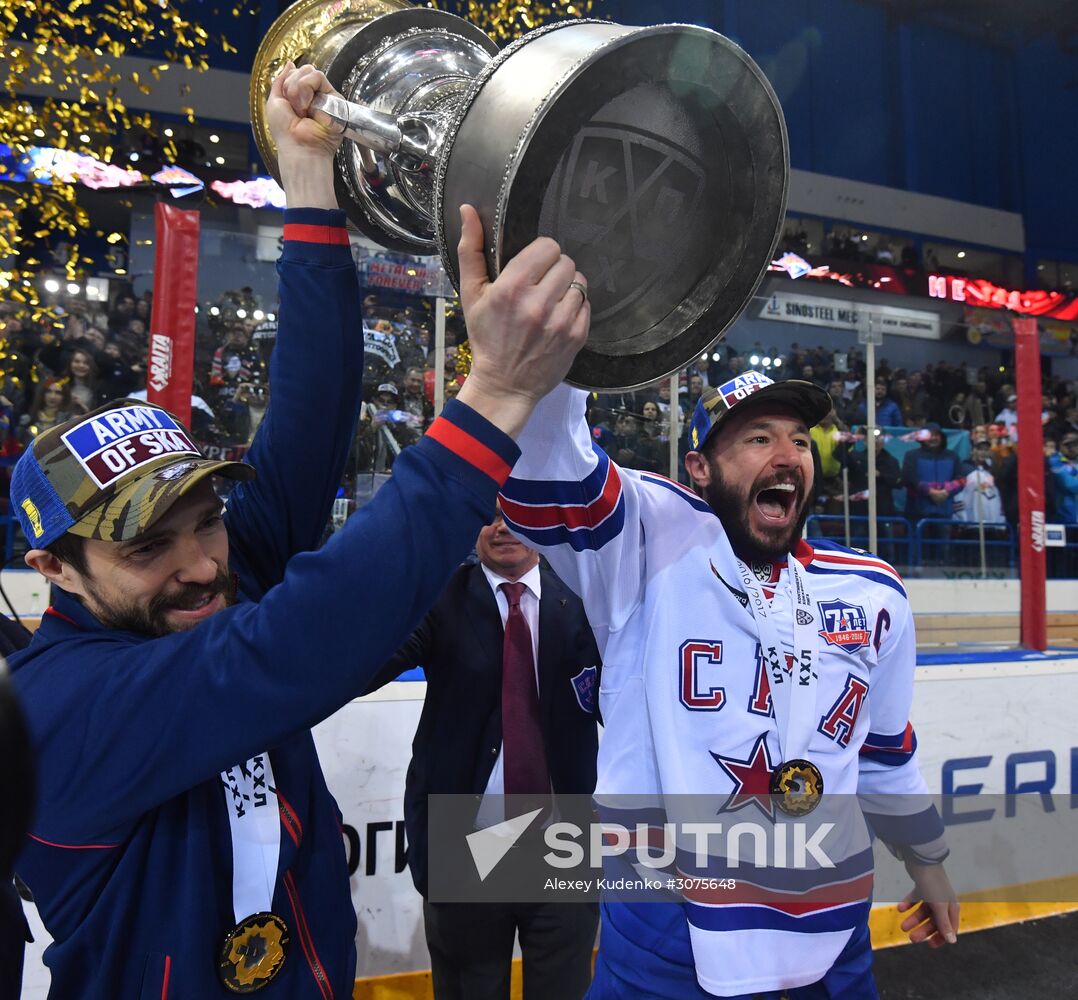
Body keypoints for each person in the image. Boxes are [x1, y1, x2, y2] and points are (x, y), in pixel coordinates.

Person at [7, 63, 589, 999]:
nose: (201, 565)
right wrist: (494, 402)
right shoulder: (53, 715)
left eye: (207, 522)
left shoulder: (200, 596)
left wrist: (310, 187)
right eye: (145, 547)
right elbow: (297, 638)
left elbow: (309, 423)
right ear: (55, 569)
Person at [499, 371, 958, 998]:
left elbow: (882, 753)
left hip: (835, 925)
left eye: (799, 440)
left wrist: (925, 859)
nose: (787, 456)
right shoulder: (646, 544)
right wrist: (561, 350)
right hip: (670, 932)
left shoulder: (874, 591)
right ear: (700, 467)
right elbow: (548, 458)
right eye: (757, 438)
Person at [366, 510, 601, 1000]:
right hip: (467, 845)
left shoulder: (586, 599)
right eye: (490, 515)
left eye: (517, 514)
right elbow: (367, 663)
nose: (503, 527)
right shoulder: (439, 597)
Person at [900, 422, 966, 521]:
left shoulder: (952, 456)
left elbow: (961, 480)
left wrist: (946, 491)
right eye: (929, 435)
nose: (933, 438)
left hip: (944, 512)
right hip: (917, 512)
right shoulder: (912, 455)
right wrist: (930, 492)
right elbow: (908, 478)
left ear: (941, 437)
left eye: (936, 435)